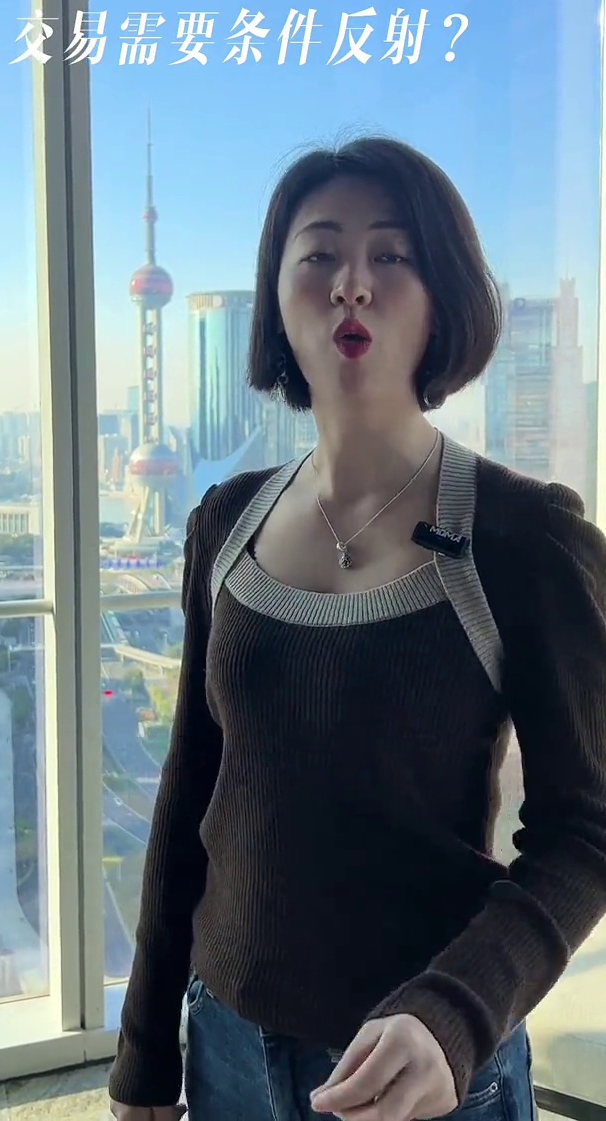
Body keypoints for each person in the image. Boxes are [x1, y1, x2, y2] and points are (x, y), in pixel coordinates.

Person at [108, 135, 606, 1121]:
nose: (352, 283)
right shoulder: (225, 522)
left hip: (427, 1072)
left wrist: (457, 1012)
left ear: (441, 297)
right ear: (276, 296)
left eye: (391, 254)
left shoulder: (522, 537)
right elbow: (193, 788)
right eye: (320, 253)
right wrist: (144, 1049)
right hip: (227, 1044)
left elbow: (587, 829)